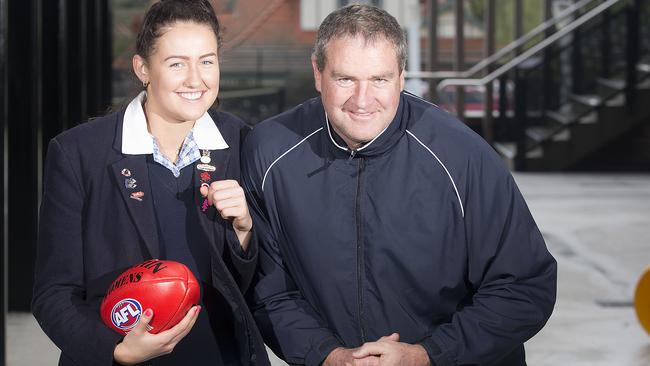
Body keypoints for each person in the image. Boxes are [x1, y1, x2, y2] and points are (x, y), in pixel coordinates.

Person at [242, 4, 557, 366]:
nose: (362, 100)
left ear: (401, 77)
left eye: (380, 79)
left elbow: (524, 286)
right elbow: (268, 290)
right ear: (318, 73)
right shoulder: (270, 152)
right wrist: (328, 356)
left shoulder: (462, 157)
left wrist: (427, 355)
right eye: (345, 79)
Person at [32, 1, 269, 365]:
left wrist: (244, 232)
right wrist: (116, 349)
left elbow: (257, 284)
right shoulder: (79, 154)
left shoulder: (242, 142)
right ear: (143, 68)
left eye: (207, 61)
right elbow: (53, 293)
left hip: (220, 356)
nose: (196, 79)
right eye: (177, 63)